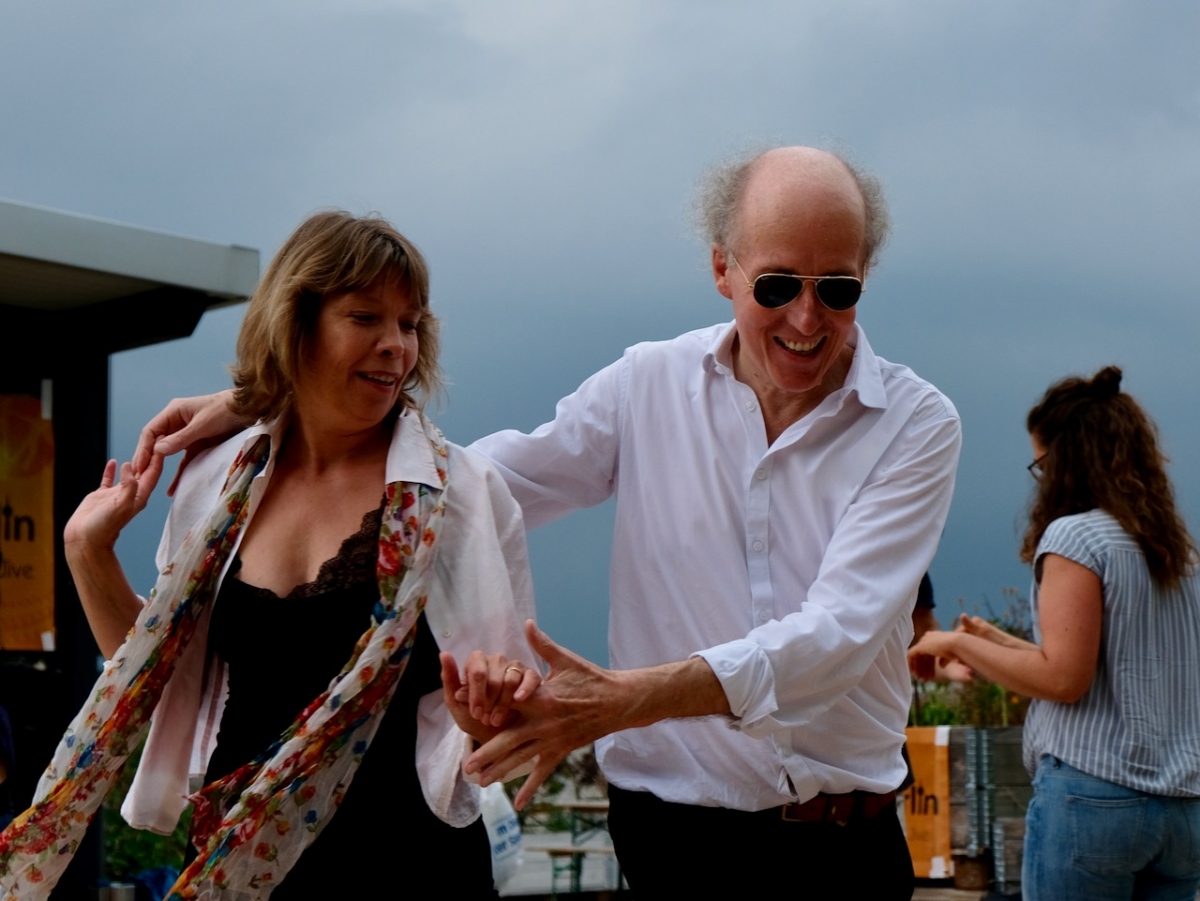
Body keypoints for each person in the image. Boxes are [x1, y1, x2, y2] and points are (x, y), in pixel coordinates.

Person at [132, 147, 961, 898]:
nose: (807, 318)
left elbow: (837, 639)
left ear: (865, 277)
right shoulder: (647, 384)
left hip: (843, 849)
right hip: (670, 841)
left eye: (837, 289)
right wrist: (285, 399)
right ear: (722, 268)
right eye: (778, 286)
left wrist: (624, 701)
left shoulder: (917, 424)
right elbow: (472, 485)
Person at [0, 212, 539, 900]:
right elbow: (164, 680)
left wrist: (488, 714)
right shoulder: (217, 479)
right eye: (365, 317)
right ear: (296, 322)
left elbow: (515, 716)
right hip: (240, 860)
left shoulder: (461, 492)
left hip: (407, 857)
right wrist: (87, 551)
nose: (394, 346)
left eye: (409, 324)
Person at [909, 366, 1200, 901]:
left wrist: (954, 642)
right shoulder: (1177, 553)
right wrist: (998, 644)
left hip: (1095, 798)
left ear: (1066, 460)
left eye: (1041, 464)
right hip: (1183, 810)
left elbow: (1065, 680)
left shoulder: (1074, 537)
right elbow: (1100, 666)